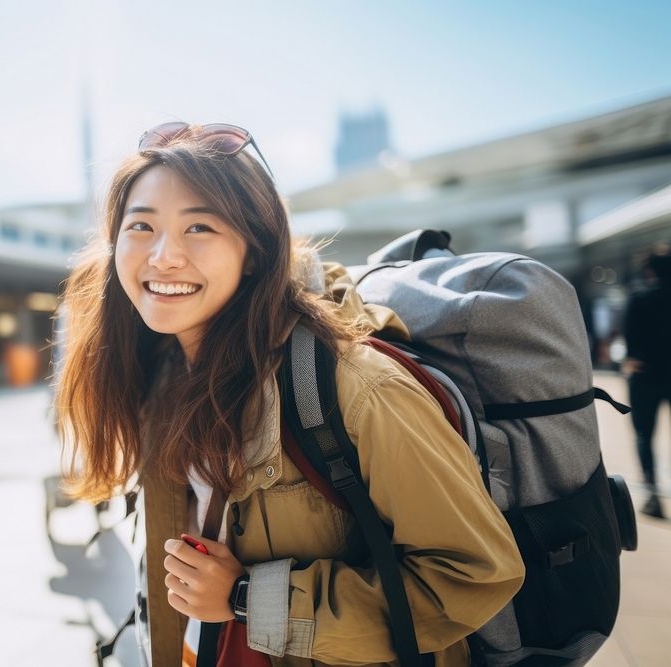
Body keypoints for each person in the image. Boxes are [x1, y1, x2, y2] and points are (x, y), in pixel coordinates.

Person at [55, 122, 525, 666]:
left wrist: (245, 598)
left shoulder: (357, 387)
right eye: (141, 225)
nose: (162, 256)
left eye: (200, 227)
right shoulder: (162, 376)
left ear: (253, 253)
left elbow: (475, 574)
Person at [623, 249, 671, 519]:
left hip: (645, 374)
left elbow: (630, 341)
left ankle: (653, 495)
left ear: (649, 270)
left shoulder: (639, 297)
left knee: (644, 434)